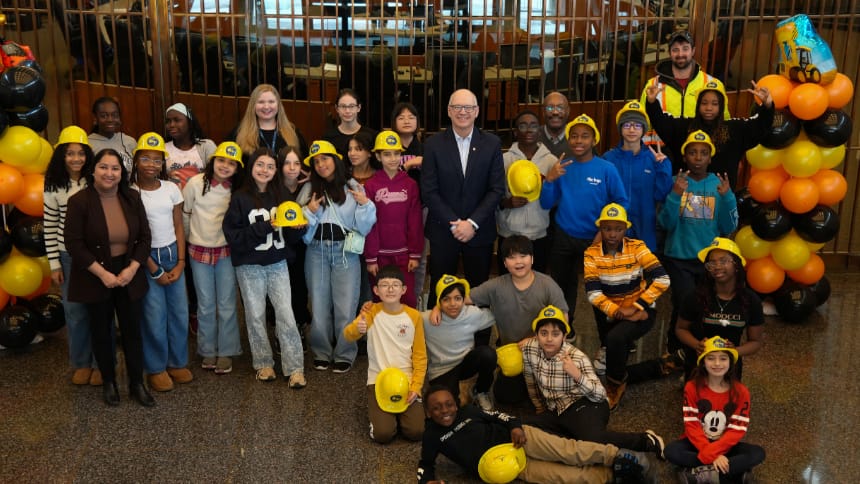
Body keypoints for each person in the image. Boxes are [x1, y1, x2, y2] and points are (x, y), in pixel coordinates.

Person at [417, 385, 656, 484]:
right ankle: (613, 476)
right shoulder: (431, 436)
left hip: (520, 439)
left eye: (448, 405)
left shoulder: (469, 411)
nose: (444, 411)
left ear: (456, 405)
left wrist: (515, 427)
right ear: (428, 412)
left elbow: (502, 417)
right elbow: (424, 464)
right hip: (509, 467)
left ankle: (618, 457)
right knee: (565, 477)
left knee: (570, 451)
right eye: (436, 408)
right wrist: (427, 481)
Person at [65, 149, 155, 407]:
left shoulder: (132, 197)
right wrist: (103, 274)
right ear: (93, 170)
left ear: (122, 173)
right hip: (95, 273)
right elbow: (74, 244)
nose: (109, 173)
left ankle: (137, 383)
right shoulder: (79, 201)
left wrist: (132, 268)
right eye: (103, 167)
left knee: (132, 331)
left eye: (115, 168)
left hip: (129, 271)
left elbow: (145, 238)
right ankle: (109, 382)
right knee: (101, 331)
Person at [522, 306, 665, 456]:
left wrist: (577, 375)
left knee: (591, 438)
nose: (549, 339)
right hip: (557, 409)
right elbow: (530, 380)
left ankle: (646, 440)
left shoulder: (577, 357)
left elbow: (600, 394)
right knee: (523, 424)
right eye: (543, 333)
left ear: (564, 336)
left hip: (587, 403)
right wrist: (539, 407)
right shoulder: (529, 349)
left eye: (555, 334)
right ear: (536, 335)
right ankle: (573, 431)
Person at [223, 147, 307, 387]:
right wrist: (266, 226)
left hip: (277, 264)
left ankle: (295, 368)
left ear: (276, 171)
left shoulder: (282, 196)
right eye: (260, 165)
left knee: (286, 315)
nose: (265, 170)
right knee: (255, 316)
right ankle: (263, 364)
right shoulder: (240, 197)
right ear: (251, 167)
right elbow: (233, 236)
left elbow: (290, 237)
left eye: (270, 166)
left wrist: (297, 230)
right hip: (249, 267)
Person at [540, 114, 628, 330]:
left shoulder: (606, 169)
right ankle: (564, 328)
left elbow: (621, 202)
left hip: (596, 238)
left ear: (594, 140)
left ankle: (609, 337)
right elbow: (545, 203)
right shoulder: (563, 167)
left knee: (601, 289)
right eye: (574, 136)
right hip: (564, 236)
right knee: (562, 286)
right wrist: (550, 180)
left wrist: (604, 231)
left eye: (585, 136)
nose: (578, 141)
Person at [421, 88, 505, 309]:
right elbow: (429, 190)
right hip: (443, 231)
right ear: (449, 111)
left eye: (468, 107)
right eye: (457, 107)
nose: (463, 112)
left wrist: (472, 223)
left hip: (479, 231)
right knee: (440, 288)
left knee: (479, 291)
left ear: (476, 111)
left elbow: (496, 189)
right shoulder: (433, 144)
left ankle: (479, 343)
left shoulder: (492, 143)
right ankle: (435, 339)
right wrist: (455, 224)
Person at [658, 130, 738, 359]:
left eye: (703, 153)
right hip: (679, 258)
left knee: (706, 304)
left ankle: (700, 349)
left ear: (710, 158)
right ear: (685, 157)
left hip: (708, 261)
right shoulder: (677, 182)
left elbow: (728, 226)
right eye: (692, 153)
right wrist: (675, 195)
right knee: (685, 301)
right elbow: (665, 223)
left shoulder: (718, 184)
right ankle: (674, 349)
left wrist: (728, 198)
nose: (698, 157)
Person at [584, 203, 671, 410]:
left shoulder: (638, 247)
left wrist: (637, 307)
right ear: (601, 228)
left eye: (618, 229)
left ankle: (615, 386)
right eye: (607, 228)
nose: (612, 234)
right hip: (611, 311)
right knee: (615, 345)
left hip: (641, 310)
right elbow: (593, 293)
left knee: (616, 339)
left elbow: (663, 279)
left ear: (626, 229)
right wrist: (622, 313)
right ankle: (659, 366)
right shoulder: (591, 253)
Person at [301, 140, 376, 374]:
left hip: (345, 250)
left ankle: (345, 352)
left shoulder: (352, 186)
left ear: (336, 160)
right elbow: (299, 227)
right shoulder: (308, 189)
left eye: (325, 158)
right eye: (316, 161)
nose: (321, 164)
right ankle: (322, 352)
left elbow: (364, 227)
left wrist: (365, 205)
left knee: (346, 305)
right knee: (319, 304)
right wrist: (310, 212)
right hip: (316, 250)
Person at [131, 133, 192, 392]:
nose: (151, 164)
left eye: (157, 160)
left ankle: (177, 362)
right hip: (147, 259)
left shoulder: (171, 189)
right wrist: (153, 268)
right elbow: (132, 236)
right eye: (145, 158)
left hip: (171, 253)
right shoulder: (130, 193)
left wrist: (180, 262)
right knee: (154, 315)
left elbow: (179, 226)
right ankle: (155, 368)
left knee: (179, 313)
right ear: (135, 161)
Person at [665, 336, 765, 483]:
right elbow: (692, 426)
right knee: (671, 451)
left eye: (723, 359)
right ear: (703, 362)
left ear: (730, 362)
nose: (717, 363)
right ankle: (733, 474)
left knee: (757, 453)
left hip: (726, 444)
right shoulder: (692, 387)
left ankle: (697, 474)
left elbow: (737, 429)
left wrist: (716, 451)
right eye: (711, 358)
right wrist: (714, 456)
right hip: (698, 444)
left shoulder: (741, 392)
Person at [343, 265, 426, 443]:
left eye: (395, 285)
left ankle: (400, 416)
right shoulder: (371, 312)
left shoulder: (414, 316)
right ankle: (380, 417)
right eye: (384, 285)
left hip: (407, 381)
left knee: (417, 432)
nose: (390, 289)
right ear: (376, 290)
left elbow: (420, 356)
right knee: (383, 435)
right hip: (378, 380)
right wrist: (357, 328)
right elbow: (348, 335)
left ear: (403, 289)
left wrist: (416, 386)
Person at [182, 141, 245, 375]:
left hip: (226, 251)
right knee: (205, 303)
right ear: (212, 161)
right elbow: (186, 215)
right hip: (198, 251)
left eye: (231, 163)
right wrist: (191, 240)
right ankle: (207, 348)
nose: (225, 166)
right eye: (221, 160)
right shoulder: (195, 184)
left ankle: (227, 350)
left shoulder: (236, 190)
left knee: (227, 303)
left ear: (238, 168)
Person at [43, 125, 98, 386]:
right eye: (69, 153)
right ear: (60, 156)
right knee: (75, 311)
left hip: (97, 257)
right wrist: (54, 264)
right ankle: (81, 362)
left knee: (100, 310)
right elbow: (51, 226)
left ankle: (101, 362)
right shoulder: (53, 185)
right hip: (67, 257)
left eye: (81, 153)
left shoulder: (96, 180)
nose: (76, 159)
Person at [646, 80, 774, 187]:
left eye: (715, 104)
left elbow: (759, 126)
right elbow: (662, 122)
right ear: (698, 105)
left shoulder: (734, 128)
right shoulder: (684, 127)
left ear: (721, 106)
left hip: (722, 199)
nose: (708, 108)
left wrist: (767, 106)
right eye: (704, 103)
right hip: (685, 197)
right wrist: (652, 103)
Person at [676, 238, 764, 380]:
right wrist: (697, 345)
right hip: (697, 365)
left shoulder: (751, 300)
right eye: (712, 263)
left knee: (728, 401)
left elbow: (756, 341)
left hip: (730, 367)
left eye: (723, 261)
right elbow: (681, 329)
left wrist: (734, 351)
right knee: (694, 400)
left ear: (736, 264)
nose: (717, 266)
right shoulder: (695, 296)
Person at [602, 101, 674, 252]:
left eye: (637, 125)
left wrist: (664, 168)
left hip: (645, 227)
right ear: (620, 128)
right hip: (614, 229)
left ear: (644, 130)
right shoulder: (608, 159)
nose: (632, 130)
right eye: (627, 125)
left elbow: (661, 195)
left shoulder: (654, 160)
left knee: (643, 273)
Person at [363, 131, 423, 307]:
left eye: (397, 154)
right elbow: (369, 224)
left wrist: (414, 253)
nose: (393, 158)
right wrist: (371, 257)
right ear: (378, 156)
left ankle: (409, 334)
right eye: (387, 154)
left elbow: (415, 221)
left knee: (407, 298)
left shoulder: (410, 185)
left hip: (405, 255)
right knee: (380, 299)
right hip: (380, 256)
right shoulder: (371, 185)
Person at [422, 275, 496, 411]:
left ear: (464, 300)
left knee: (488, 354)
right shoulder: (427, 319)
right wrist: (371, 310)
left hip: (465, 364)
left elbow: (498, 314)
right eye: (446, 299)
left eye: (457, 298)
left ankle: (480, 391)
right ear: (439, 301)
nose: (453, 304)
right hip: (441, 371)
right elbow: (402, 317)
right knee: (452, 407)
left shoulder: (472, 314)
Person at [498, 110, 558, 274]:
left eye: (533, 126)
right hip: (509, 233)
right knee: (507, 284)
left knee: (536, 283)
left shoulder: (551, 161)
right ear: (516, 132)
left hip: (539, 235)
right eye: (523, 126)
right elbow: (494, 194)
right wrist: (506, 203)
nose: (529, 130)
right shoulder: (503, 160)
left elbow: (557, 198)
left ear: (540, 130)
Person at [639, 30, 730, 121]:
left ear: (693, 51)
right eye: (675, 50)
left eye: (685, 49)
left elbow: (723, 122)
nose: (680, 54)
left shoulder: (713, 84)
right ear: (669, 53)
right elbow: (643, 121)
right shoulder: (652, 86)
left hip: (699, 135)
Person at [392, 101, 429, 307]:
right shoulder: (388, 146)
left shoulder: (425, 148)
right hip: (393, 210)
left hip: (420, 209)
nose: (406, 121)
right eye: (401, 117)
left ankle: (415, 299)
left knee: (419, 256)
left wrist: (417, 161)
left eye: (411, 117)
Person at [231, 84, 307, 166]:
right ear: (253, 106)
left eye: (271, 102)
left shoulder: (293, 131)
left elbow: (305, 162)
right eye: (261, 102)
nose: (266, 107)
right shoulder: (239, 132)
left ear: (278, 105)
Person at [280, 146, 312, 333]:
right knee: (282, 291)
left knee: (300, 287)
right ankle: (280, 329)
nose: (292, 168)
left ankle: (300, 325)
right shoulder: (273, 186)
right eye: (287, 163)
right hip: (279, 247)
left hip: (302, 247)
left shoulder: (307, 187)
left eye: (297, 163)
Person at [163, 102, 217, 189]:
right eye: (168, 121)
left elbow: (216, 176)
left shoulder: (206, 146)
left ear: (189, 122)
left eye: (177, 120)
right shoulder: (163, 148)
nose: (171, 125)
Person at [323, 88, 379, 160]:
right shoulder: (328, 137)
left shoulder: (371, 135)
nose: (347, 111)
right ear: (337, 109)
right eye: (343, 106)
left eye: (351, 106)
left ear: (359, 107)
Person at [87, 97, 136, 174]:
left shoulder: (130, 141)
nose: (110, 119)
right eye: (104, 116)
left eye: (114, 115)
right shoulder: (88, 144)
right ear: (95, 118)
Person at [539, 91, 570, 158]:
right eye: (550, 108)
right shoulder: (533, 137)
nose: (555, 112)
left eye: (560, 108)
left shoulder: (578, 138)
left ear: (568, 111)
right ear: (543, 112)